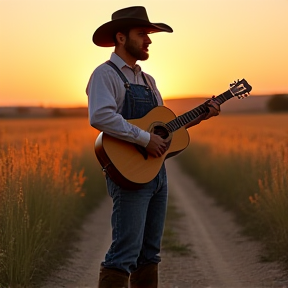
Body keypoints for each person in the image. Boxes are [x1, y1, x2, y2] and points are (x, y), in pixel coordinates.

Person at [86, 6, 220, 288]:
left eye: (149, 34)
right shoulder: (104, 74)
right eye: (143, 34)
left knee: (150, 255)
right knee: (123, 254)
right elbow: (100, 116)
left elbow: (165, 128)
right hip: (129, 174)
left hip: (157, 174)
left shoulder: (149, 81)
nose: (149, 40)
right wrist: (145, 139)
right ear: (121, 38)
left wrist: (201, 115)